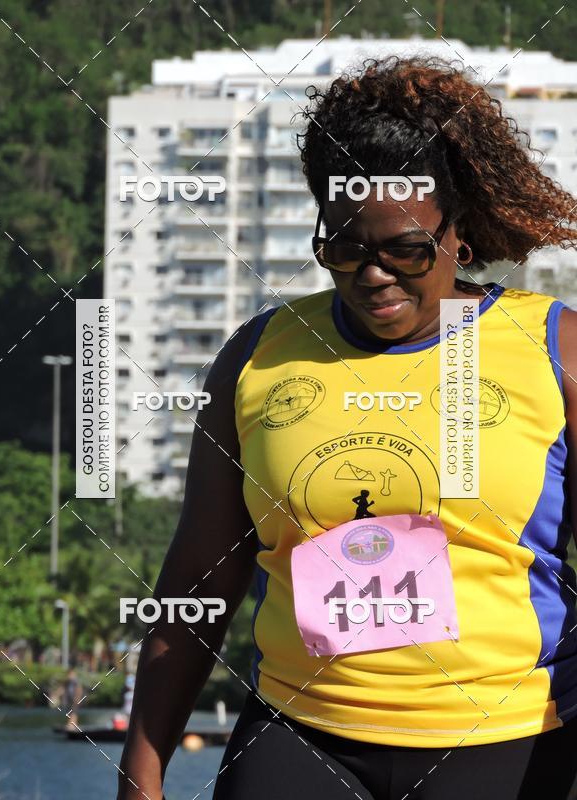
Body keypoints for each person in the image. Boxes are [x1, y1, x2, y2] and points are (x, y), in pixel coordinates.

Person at [116, 56, 577, 800]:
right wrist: (142, 768)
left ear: (458, 235)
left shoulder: (556, 354)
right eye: (346, 249)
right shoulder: (256, 356)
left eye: (406, 250)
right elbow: (201, 575)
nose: (374, 275)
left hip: (507, 740)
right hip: (300, 732)